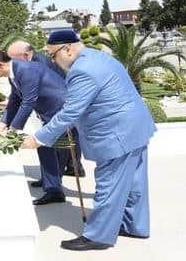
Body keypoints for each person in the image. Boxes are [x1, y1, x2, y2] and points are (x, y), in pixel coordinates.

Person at [21, 30, 156, 251]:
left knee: (109, 185)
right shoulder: (97, 56)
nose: (52, 61)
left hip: (116, 134)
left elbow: (70, 112)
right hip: (135, 127)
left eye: (53, 55)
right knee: (134, 183)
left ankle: (98, 236)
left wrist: (38, 138)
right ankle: (134, 226)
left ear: (67, 49)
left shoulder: (82, 70)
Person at [0, 49, 66, 206]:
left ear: (0, 65)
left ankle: (54, 189)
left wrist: (12, 131)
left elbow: (28, 102)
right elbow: (14, 101)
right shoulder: (14, 72)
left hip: (60, 110)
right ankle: (52, 186)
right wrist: (1, 125)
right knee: (44, 145)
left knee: (43, 143)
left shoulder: (25, 70)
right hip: (51, 111)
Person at [6, 40, 85, 179]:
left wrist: (14, 127)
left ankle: (59, 177)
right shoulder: (29, 64)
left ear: (26, 55)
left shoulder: (38, 64)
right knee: (65, 138)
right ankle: (71, 168)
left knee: (60, 141)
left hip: (61, 104)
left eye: (12, 59)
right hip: (59, 104)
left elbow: (34, 93)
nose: (10, 63)